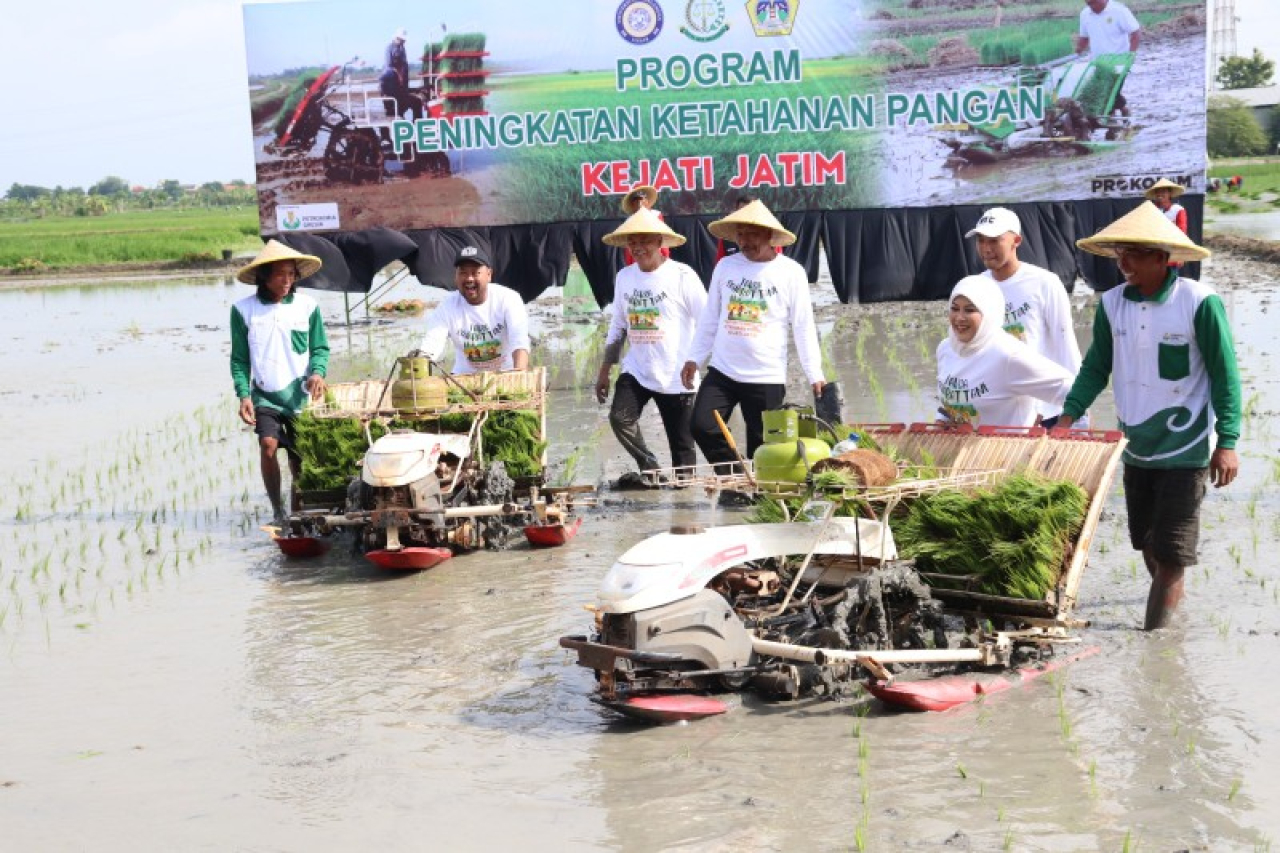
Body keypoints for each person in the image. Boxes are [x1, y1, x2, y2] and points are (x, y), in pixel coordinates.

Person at [1055, 202, 1241, 630]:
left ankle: (1154, 645)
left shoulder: (1199, 302)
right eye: (1120, 253)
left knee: (1173, 553)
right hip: (1136, 447)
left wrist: (1227, 441)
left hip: (1186, 447)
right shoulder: (1113, 304)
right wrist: (1068, 416)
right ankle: (1173, 610)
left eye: (1134, 254)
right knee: (1148, 545)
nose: (1123, 263)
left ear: (1163, 257)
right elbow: (1096, 367)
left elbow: (1225, 376)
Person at [681, 199, 825, 471]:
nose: (745, 242)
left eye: (752, 234)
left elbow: (803, 326)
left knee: (762, 447)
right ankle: (734, 479)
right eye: (741, 235)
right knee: (701, 426)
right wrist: (693, 358)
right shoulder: (726, 266)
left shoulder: (790, 272)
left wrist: (814, 373)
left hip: (765, 375)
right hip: (723, 370)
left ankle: (760, 499)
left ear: (770, 236)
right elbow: (711, 317)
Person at [595, 208, 706, 485]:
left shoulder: (682, 275)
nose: (638, 247)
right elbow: (619, 326)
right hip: (638, 370)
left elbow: (707, 322)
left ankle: (685, 511)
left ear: (659, 242)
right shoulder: (625, 277)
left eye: (644, 240)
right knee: (620, 418)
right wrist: (605, 368)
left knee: (683, 453)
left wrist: (695, 361)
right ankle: (649, 464)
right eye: (633, 242)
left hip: (677, 375)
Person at [230, 240, 330, 522]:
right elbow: (239, 359)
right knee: (268, 446)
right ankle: (277, 508)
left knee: (299, 458)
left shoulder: (308, 307)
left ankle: (300, 512)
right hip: (265, 394)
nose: (286, 280)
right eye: (279, 274)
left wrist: (318, 372)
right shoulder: (243, 310)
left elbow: (320, 348)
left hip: (300, 394)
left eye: (291, 274)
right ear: (264, 276)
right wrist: (243, 394)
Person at [967, 206, 1083, 427]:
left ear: (1016, 241)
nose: (986, 248)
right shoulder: (976, 287)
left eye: (994, 240)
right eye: (981, 240)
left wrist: (1079, 407)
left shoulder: (1044, 283)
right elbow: (971, 352)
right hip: (1000, 413)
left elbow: (1065, 345)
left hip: (1045, 412)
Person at [936, 275, 1074, 428]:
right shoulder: (946, 349)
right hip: (959, 449)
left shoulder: (1007, 356)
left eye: (969, 310)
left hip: (1008, 449)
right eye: (954, 309)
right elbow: (950, 402)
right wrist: (941, 420)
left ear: (988, 313)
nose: (959, 318)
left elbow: (1072, 389)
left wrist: (1059, 425)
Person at [418, 245, 530, 374]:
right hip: (463, 379)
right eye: (463, 273)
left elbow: (519, 341)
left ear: (489, 275)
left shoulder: (508, 298)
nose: (469, 278)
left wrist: (519, 376)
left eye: (475, 273)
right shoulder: (447, 306)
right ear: (456, 276)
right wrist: (422, 357)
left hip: (505, 375)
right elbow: (432, 343)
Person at [1075, 0, 1140, 120]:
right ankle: (1123, 109)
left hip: (1119, 62)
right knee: (1104, 90)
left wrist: (1131, 54)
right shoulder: (1085, 14)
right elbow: (1084, 37)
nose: (1091, 7)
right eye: (1088, 4)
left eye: (1093, 3)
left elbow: (1135, 33)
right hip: (1098, 63)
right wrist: (1078, 50)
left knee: (1109, 92)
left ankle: (1111, 121)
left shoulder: (1119, 11)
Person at [380, 28, 423, 120]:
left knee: (417, 103)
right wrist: (398, 75)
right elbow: (389, 65)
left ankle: (417, 125)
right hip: (393, 94)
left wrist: (409, 89)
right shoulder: (389, 48)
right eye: (402, 40)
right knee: (396, 113)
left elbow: (404, 67)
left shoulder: (402, 49)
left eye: (404, 40)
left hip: (401, 92)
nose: (403, 42)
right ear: (397, 38)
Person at [619, 185, 669, 265]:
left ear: (647, 202)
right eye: (636, 201)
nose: (639, 203)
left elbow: (662, 239)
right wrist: (630, 264)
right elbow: (629, 248)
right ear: (632, 204)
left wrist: (664, 257)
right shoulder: (630, 220)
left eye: (642, 200)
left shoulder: (656, 215)